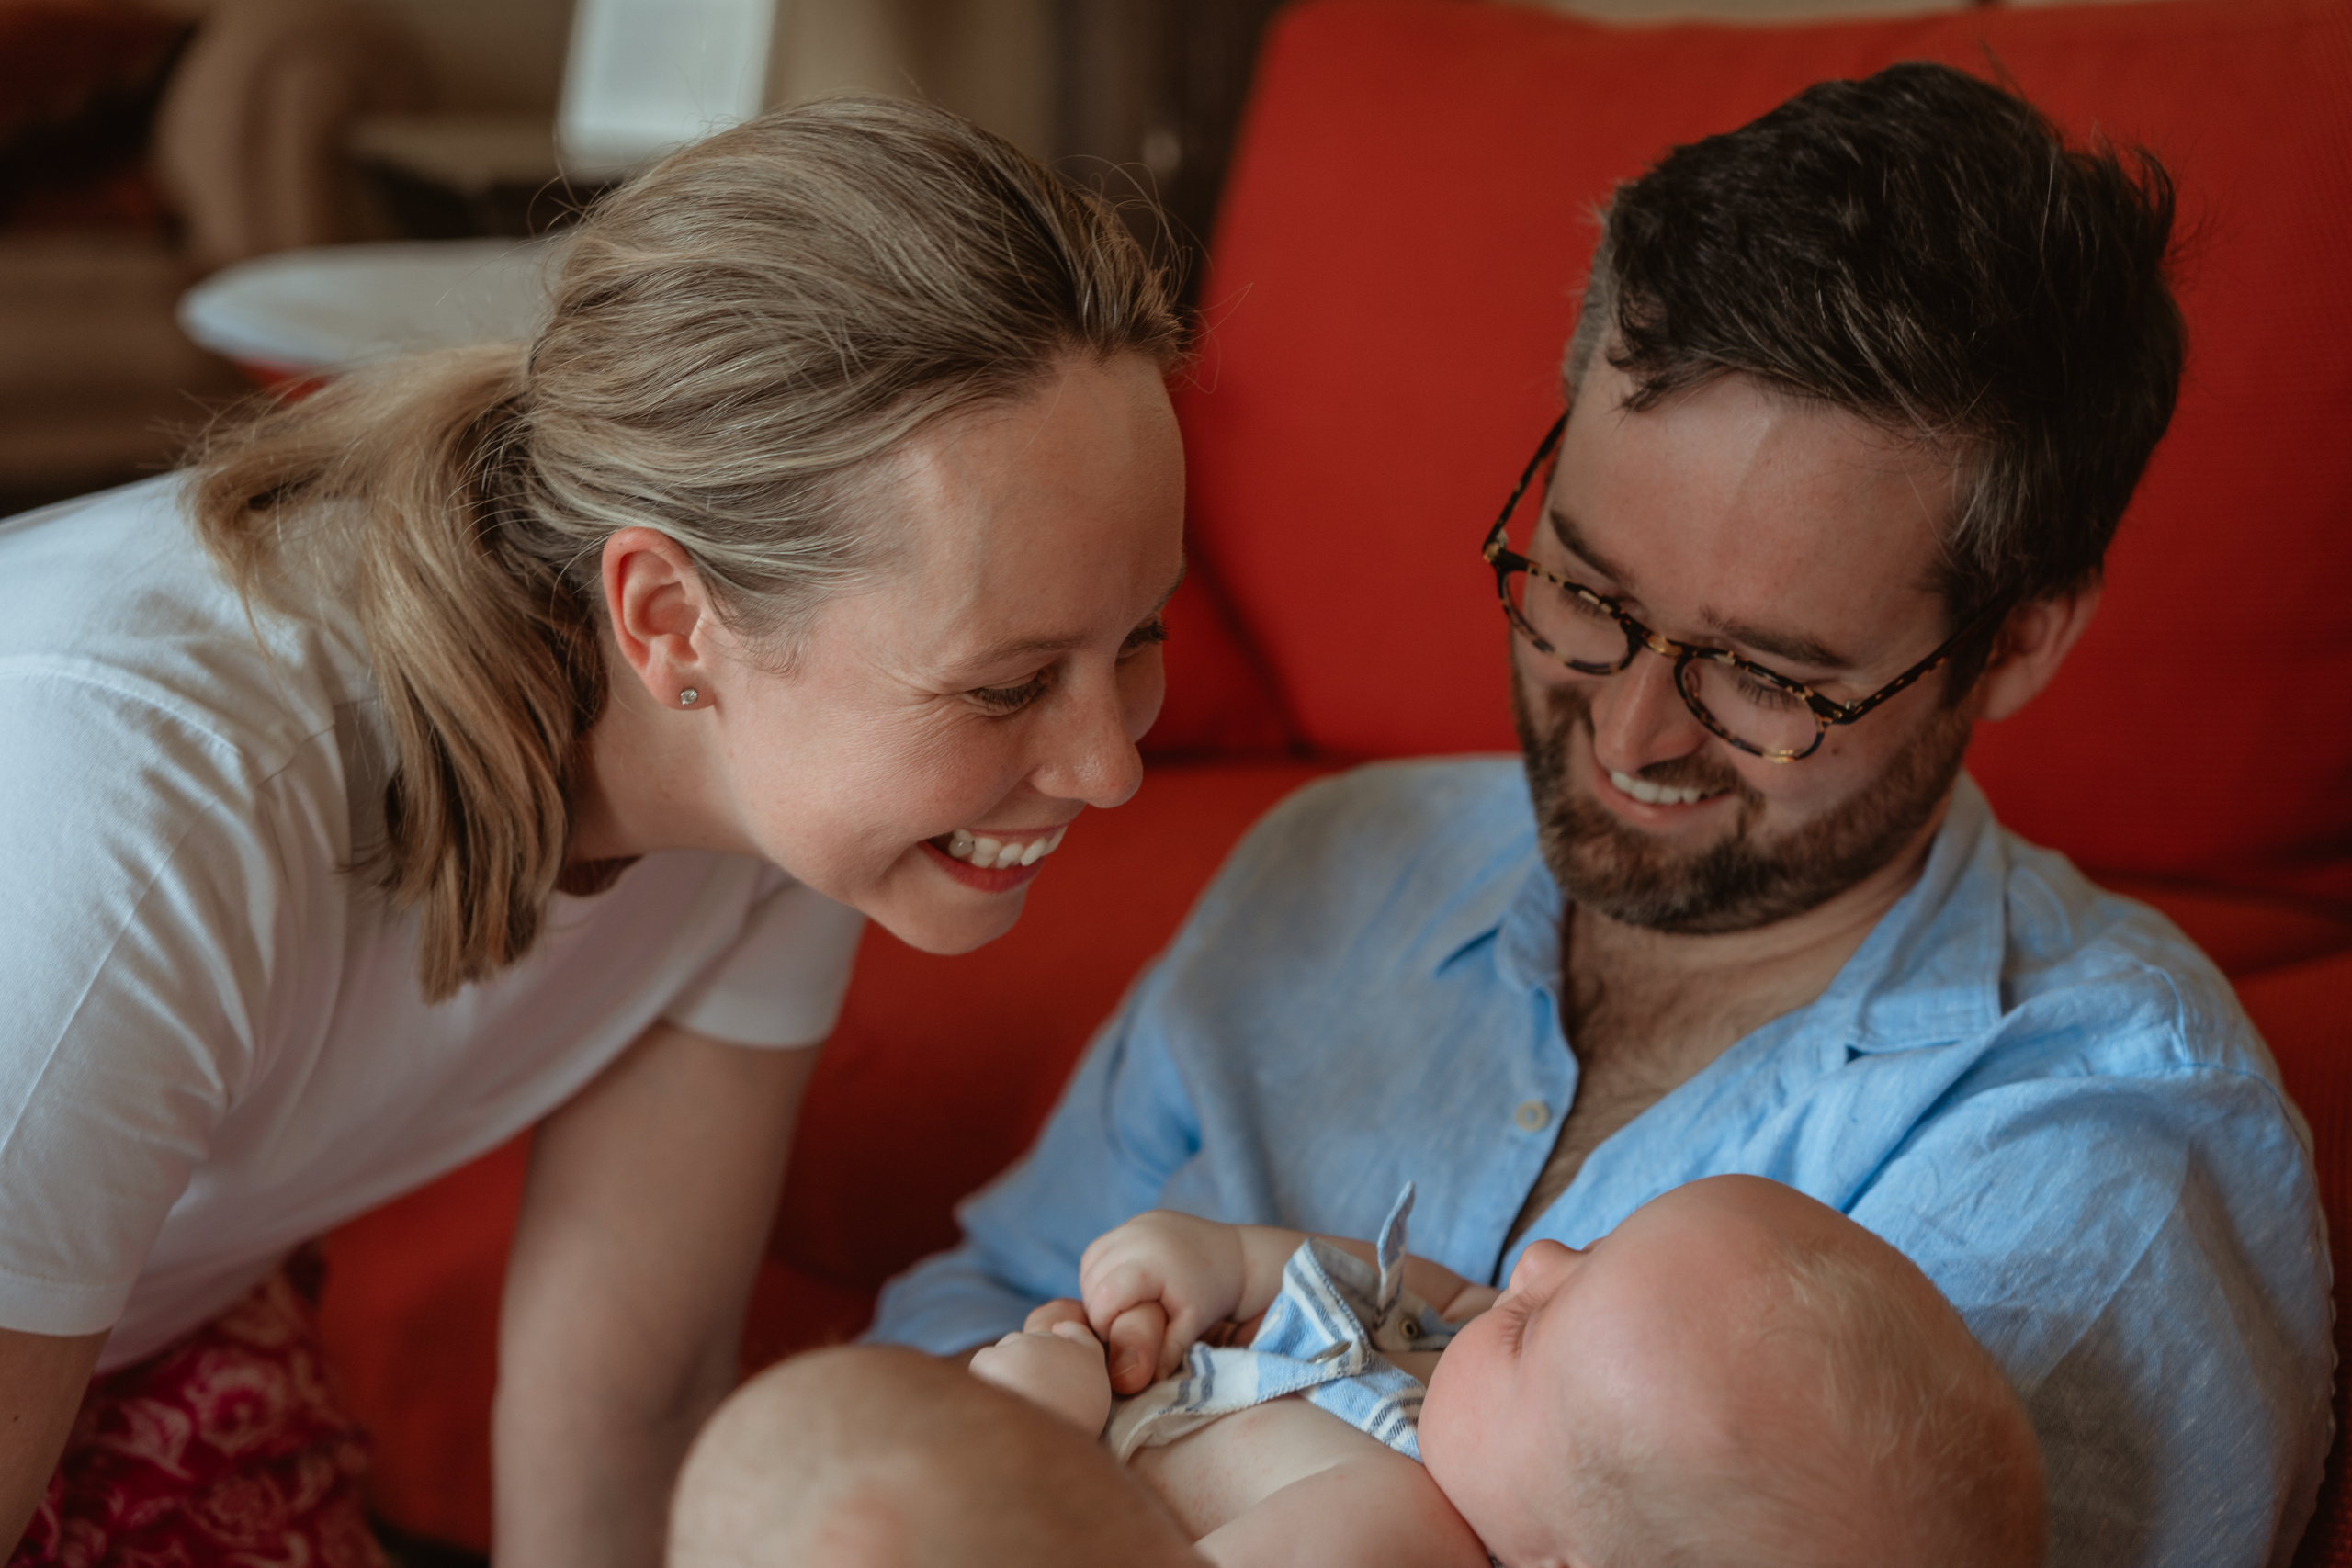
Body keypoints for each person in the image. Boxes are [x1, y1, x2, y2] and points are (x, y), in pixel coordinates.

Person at [688, 62, 2331, 1567]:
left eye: (1769, 676)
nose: (1627, 729)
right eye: (1585, 589)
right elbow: (974, 1311)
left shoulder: (2090, 1160)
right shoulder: (1330, 868)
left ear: (2020, 636)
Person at [0, 97, 1187, 1567]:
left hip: (151, 1341)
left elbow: (623, 1412)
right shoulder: (136, 799)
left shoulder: (796, 793)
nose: (1107, 765)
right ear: (667, 616)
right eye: (1009, 682)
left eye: (1135, 637)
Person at [952, 1177, 2043, 1568]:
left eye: (1535, 1325)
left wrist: (1029, 1432)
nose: (1536, 1258)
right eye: (1597, 1246)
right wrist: (1232, 1258)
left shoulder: (1394, 1538)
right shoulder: (1495, 1433)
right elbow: (1438, 1300)